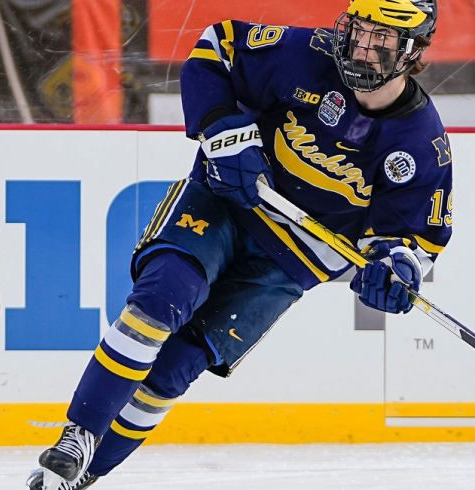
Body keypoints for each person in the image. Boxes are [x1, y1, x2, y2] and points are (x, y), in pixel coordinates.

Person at [26, 1, 452, 488]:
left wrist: (394, 269)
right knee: (160, 298)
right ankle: (77, 435)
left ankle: (85, 475)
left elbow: (413, 238)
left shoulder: (421, 144)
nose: (362, 47)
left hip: (290, 262)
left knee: (175, 369)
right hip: (225, 202)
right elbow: (217, 47)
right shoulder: (306, 55)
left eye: (382, 39)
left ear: (414, 51)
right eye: (359, 30)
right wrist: (221, 127)